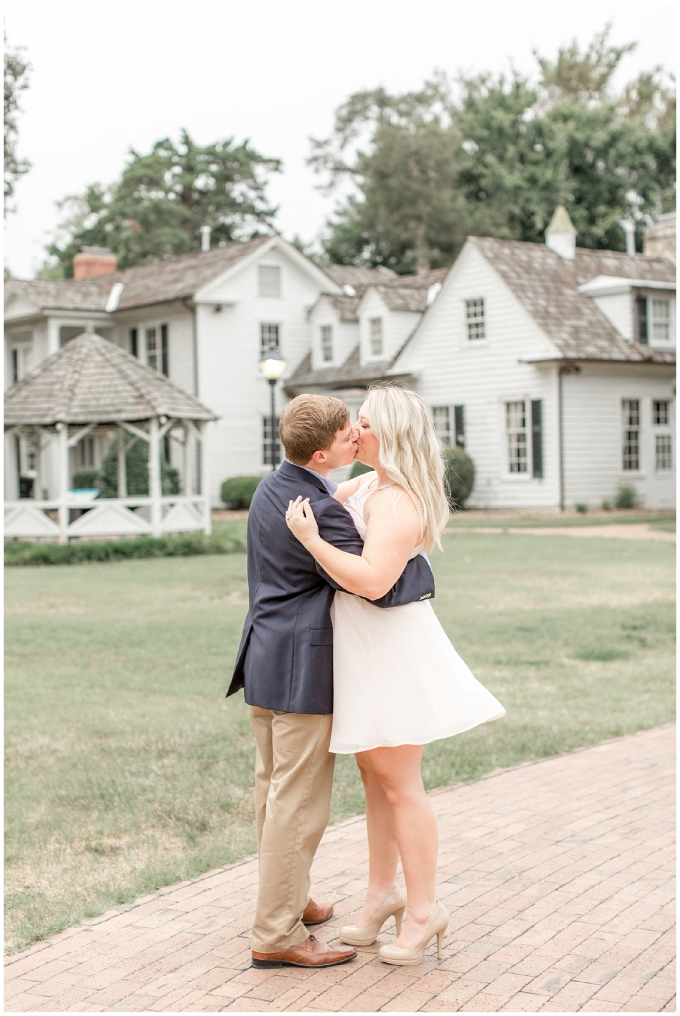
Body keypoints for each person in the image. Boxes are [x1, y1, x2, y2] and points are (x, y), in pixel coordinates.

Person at [286, 384, 505, 966]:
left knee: (401, 786)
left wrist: (309, 541)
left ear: (390, 432)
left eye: (363, 422)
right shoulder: (370, 483)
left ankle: (426, 909)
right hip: (362, 649)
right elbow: (324, 486)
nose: (353, 432)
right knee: (376, 781)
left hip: (390, 653)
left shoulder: (399, 501)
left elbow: (372, 580)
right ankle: (379, 898)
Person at [227, 393, 436, 970]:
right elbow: (379, 585)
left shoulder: (276, 486)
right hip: (301, 667)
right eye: (350, 429)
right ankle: (277, 932)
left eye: (363, 425)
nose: (357, 434)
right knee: (297, 804)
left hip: (264, 656)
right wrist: (421, 567)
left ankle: (290, 898)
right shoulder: (319, 511)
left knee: (273, 792)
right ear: (323, 452)